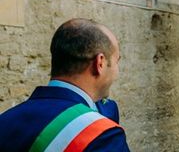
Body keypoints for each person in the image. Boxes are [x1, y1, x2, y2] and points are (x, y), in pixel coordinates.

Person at [0, 18, 129, 151]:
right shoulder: (103, 137)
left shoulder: (5, 121)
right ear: (100, 63)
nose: (117, 71)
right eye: (116, 61)